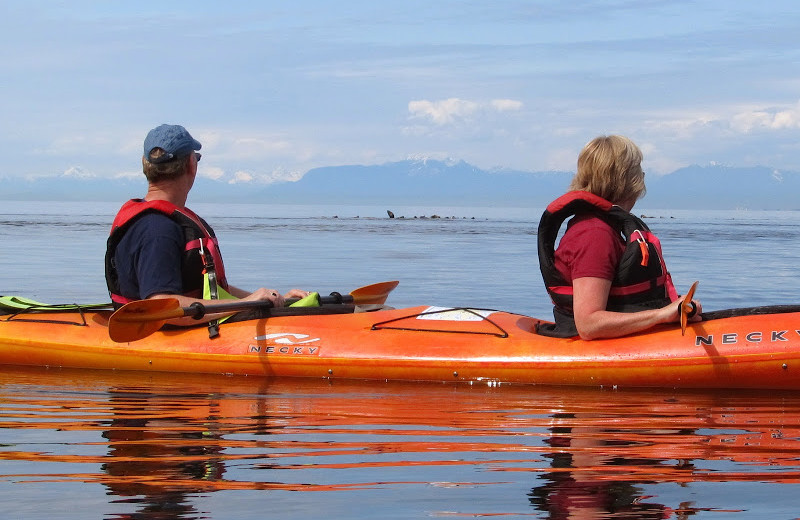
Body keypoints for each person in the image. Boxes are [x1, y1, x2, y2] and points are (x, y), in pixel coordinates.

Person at [105, 124, 309, 329]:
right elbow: (160, 306)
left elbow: (211, 289)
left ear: (145, 166)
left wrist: (270, 299)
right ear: (191, 165)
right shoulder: (157, 230)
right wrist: (244, 305)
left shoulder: (164, 223)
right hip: (163, 336)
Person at [537, 135, 701, 339]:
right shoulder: (593, 234)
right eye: (638, 170)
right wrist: (661, 315)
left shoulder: (611, 227)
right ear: (626, 179)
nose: (642, 175)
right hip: (593, 345)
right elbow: (588, 324)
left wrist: (677, 309)